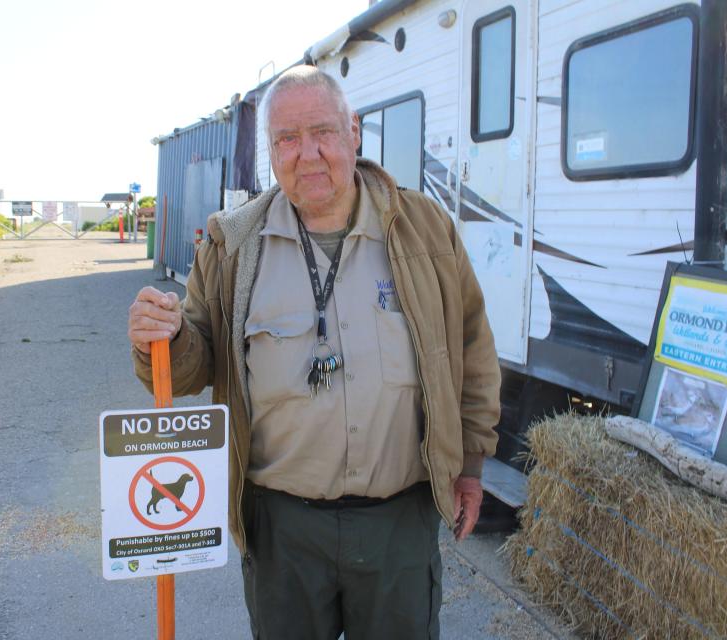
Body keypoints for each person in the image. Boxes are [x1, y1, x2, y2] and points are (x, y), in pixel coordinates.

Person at [129, 65, 501, 640]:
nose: (308, 154)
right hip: (283, 530)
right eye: (287, 139)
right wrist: (165, 336)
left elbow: (471, 346)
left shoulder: (425, 229)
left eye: (323, 132)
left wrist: (471, 464)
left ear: (354, 132)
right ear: (270, 152)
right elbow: (193, 366)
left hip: (398, 523)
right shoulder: (232, 244)